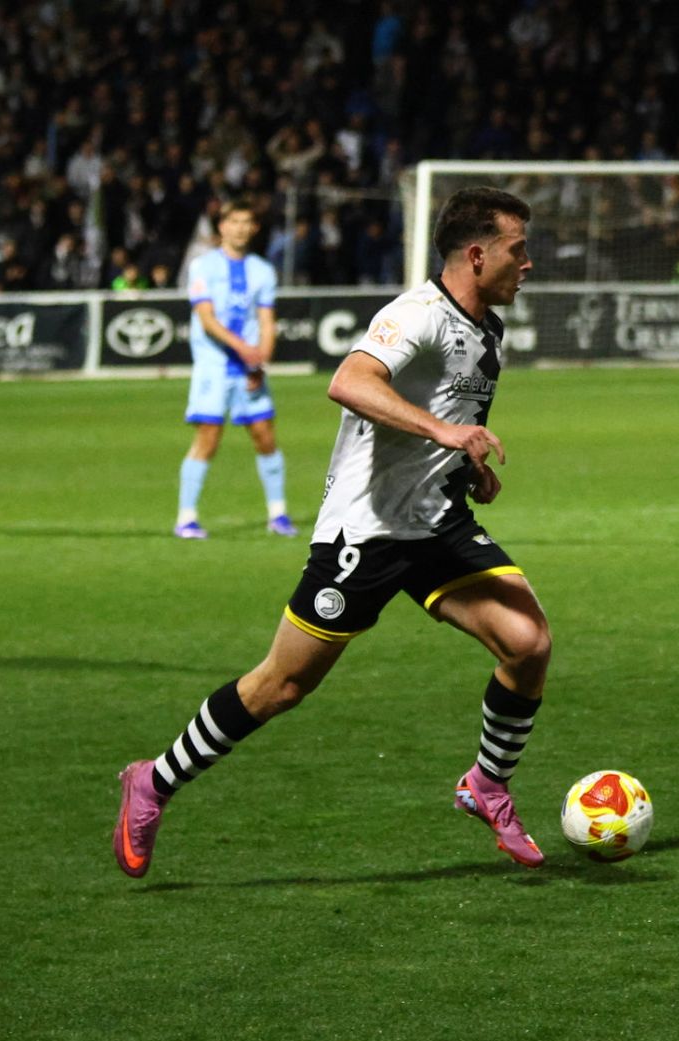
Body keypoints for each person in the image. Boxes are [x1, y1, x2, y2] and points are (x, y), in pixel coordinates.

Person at [115, 186, 550, 876]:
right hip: (366, 532)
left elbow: (440, 422)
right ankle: (154, 779)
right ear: (476, 253)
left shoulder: (487, 329)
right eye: (517, 249)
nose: (528, 264)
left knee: (528, 642)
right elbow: (349, 381)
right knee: (281, 687)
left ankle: (487, 782)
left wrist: (463, 468)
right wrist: (445, 429)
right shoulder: (418, 314)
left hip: (436, 523)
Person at [174, 198, 296, 538]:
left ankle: (279, 514)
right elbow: (206, 318)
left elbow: (267, 320)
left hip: (248, 370)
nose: (240, 228)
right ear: (221, 226)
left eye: (247, 222)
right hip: (213, 369)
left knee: (264, 436)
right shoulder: (203, 266)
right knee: (208, 438)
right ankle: (186, 517)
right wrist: (245, 349)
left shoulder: (263, 270)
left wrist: (262, 359)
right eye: (234, 221)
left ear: (254, 228)